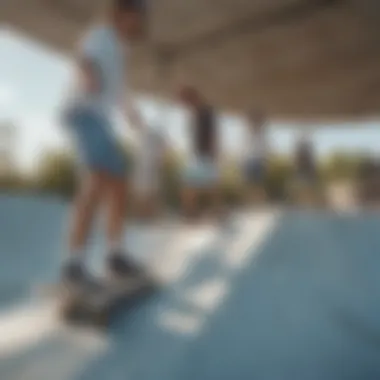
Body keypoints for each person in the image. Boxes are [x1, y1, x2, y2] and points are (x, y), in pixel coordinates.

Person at [60, 0, 147, 287]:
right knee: (97, 177)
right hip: (84, 111)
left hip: (101, 120)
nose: (138, 23)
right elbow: (81, 53)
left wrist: (131, 113)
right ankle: (74, 263)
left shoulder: (122, 48)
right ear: (121, 14)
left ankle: (114, 255)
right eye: (136, 17)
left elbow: (120, 87)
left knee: (119, 184)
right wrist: (89, 74)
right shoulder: (101, 34)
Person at [178, 86, 222, 220]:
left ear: (192, 98)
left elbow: (213, 134)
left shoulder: (206, 111)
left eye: (186, 101)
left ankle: (214, 211)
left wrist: (214, 153)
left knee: (210, 185)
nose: (185, 105)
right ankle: (191, 212)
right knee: (191, 184)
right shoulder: (194, 113)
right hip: (196, 154)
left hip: (205, 153)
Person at [134, 125, 168, 220]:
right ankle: (144, 214)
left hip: (152, 165)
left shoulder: (156, 137)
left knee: (151, 190)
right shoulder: (146, 135)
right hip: (145, 165)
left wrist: (160, 160)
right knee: (143, 190)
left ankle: (149, 214)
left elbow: (163, 149)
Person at [242, 110, 269, 204]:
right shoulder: (248, 130)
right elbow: (244, 146)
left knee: (259, 183)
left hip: (258, 159)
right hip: (249, 159)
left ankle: (260, 201)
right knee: (249, 183)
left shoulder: (262, 131)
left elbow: (264, 147)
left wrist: (265, 160)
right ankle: (249, 201)